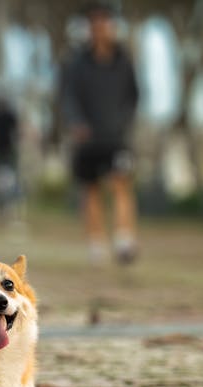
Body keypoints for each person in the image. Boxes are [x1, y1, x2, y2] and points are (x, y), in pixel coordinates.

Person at [60, 2, 141, 265]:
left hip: (116, 137)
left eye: (104, 22)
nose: (99, 28)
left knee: (121, 184)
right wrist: (76, 122)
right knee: (91, 190)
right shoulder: (76, 63)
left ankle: (124, 240)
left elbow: (134, 95)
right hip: (87, 139)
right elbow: (67, 97)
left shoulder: (124, 61)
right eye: (94, 23)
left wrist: (124, 121)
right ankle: (96, 243)